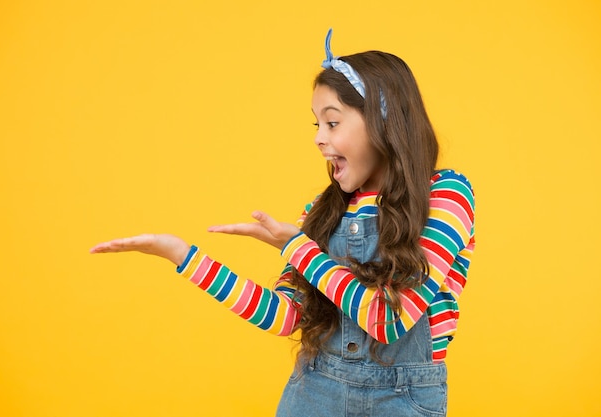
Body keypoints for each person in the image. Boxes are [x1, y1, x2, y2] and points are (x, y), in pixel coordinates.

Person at [90, 29, 475, 417]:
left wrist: (298, 248)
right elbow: (286, 315)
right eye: (316, 125)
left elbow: (387, 319)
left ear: (383, 121)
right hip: (314, 394)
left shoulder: (445, 197)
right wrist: (181, 255)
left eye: (333, 122)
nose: (319, 139)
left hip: (403, 400)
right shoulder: (322, 214)